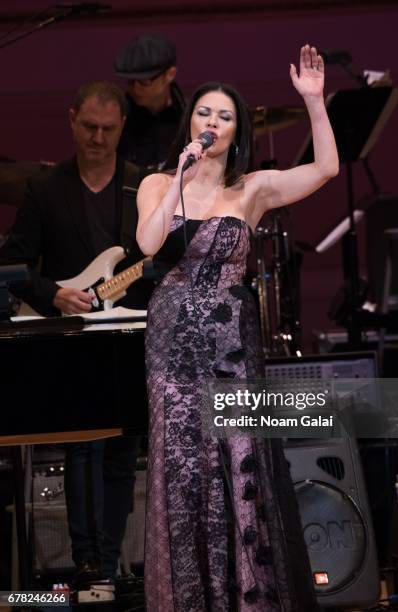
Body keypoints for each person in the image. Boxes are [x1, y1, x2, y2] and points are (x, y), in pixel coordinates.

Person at [136, 44, 338, 611]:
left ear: (237, 129)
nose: (212, 123)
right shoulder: (158, 183)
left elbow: (325, 169)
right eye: (205, 113)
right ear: (190, 121)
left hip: (231, 345)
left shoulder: (251, 190)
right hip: (172, 344)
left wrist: (314, 103)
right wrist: (179, 177)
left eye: (224, 116)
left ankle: (247, 598)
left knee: (237, 457)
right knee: (184, 464)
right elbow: (149, 245)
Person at [0, 81, 149, 586]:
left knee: (124, 449)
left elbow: (154, 259)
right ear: (71, 121)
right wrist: (53, 294)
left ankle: (108, 565)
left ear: (122, 127)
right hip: (72, 336)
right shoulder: (46, 190)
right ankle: (88, 564)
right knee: (82, 446)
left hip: (127, 335)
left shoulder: (139, 185)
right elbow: (13, 263)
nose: (98, 137)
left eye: (108, 129)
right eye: (89, 127)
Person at [114, 33, 185, 170]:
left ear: (170, 74)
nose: (135, 88)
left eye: (145, 81)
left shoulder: (190, 115)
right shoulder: (117, 116)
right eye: (130, 81)